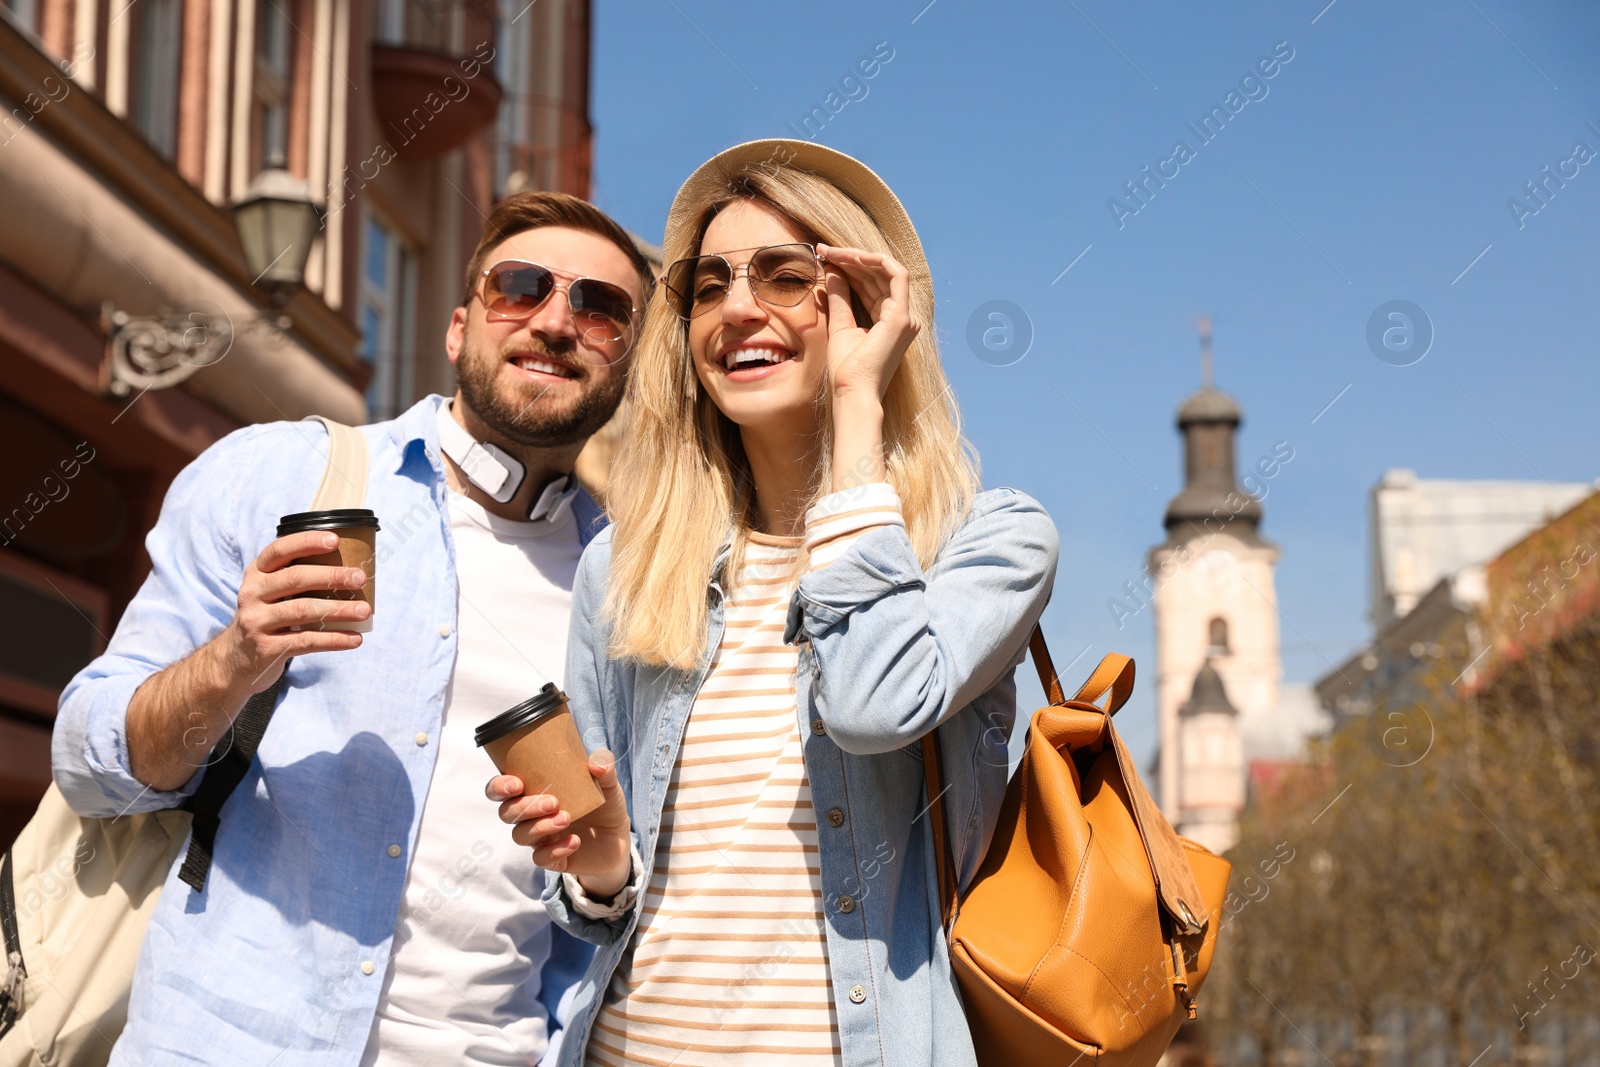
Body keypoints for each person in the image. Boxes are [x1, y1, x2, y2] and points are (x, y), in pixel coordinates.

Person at [489, 141, 1060, 1066]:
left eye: (787, 276)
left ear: (870, 309)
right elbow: (601, 907)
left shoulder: (987, 543)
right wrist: (597, 864)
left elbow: (873, 704)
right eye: (708, 285)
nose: (738, 306)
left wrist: (855, 405)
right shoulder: (627, 567)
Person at [52, 191, 653, 1065]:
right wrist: (234, 660)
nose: (558, 321)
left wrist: (605, 878)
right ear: (458, 329)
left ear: (627, 359)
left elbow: (615, 895)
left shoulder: (633, 592)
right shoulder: (283, 475)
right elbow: (86, 764)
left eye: (600, 308)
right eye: (521, 287)